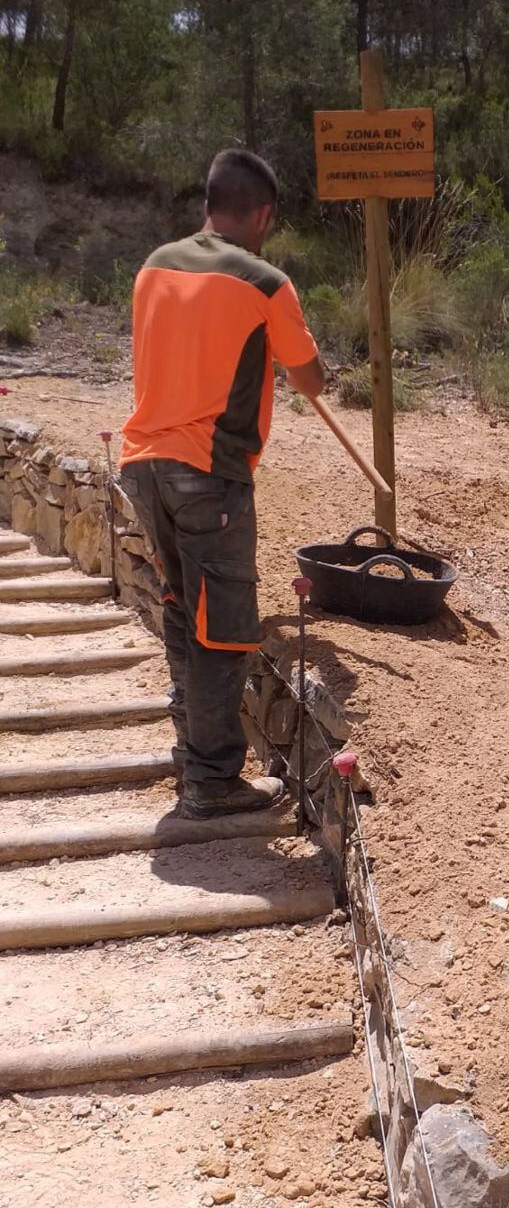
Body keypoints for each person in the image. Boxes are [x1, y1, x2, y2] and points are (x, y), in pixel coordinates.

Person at [119, 148, 325, 818]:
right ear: (263, 214)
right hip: (209, 474)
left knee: (184, 608)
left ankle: (194, 752)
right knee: (224, 628)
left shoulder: (154, 266)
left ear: (209, 202)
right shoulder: (265, 283)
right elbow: (312, 378)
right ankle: (211, 779)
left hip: (143, 465)